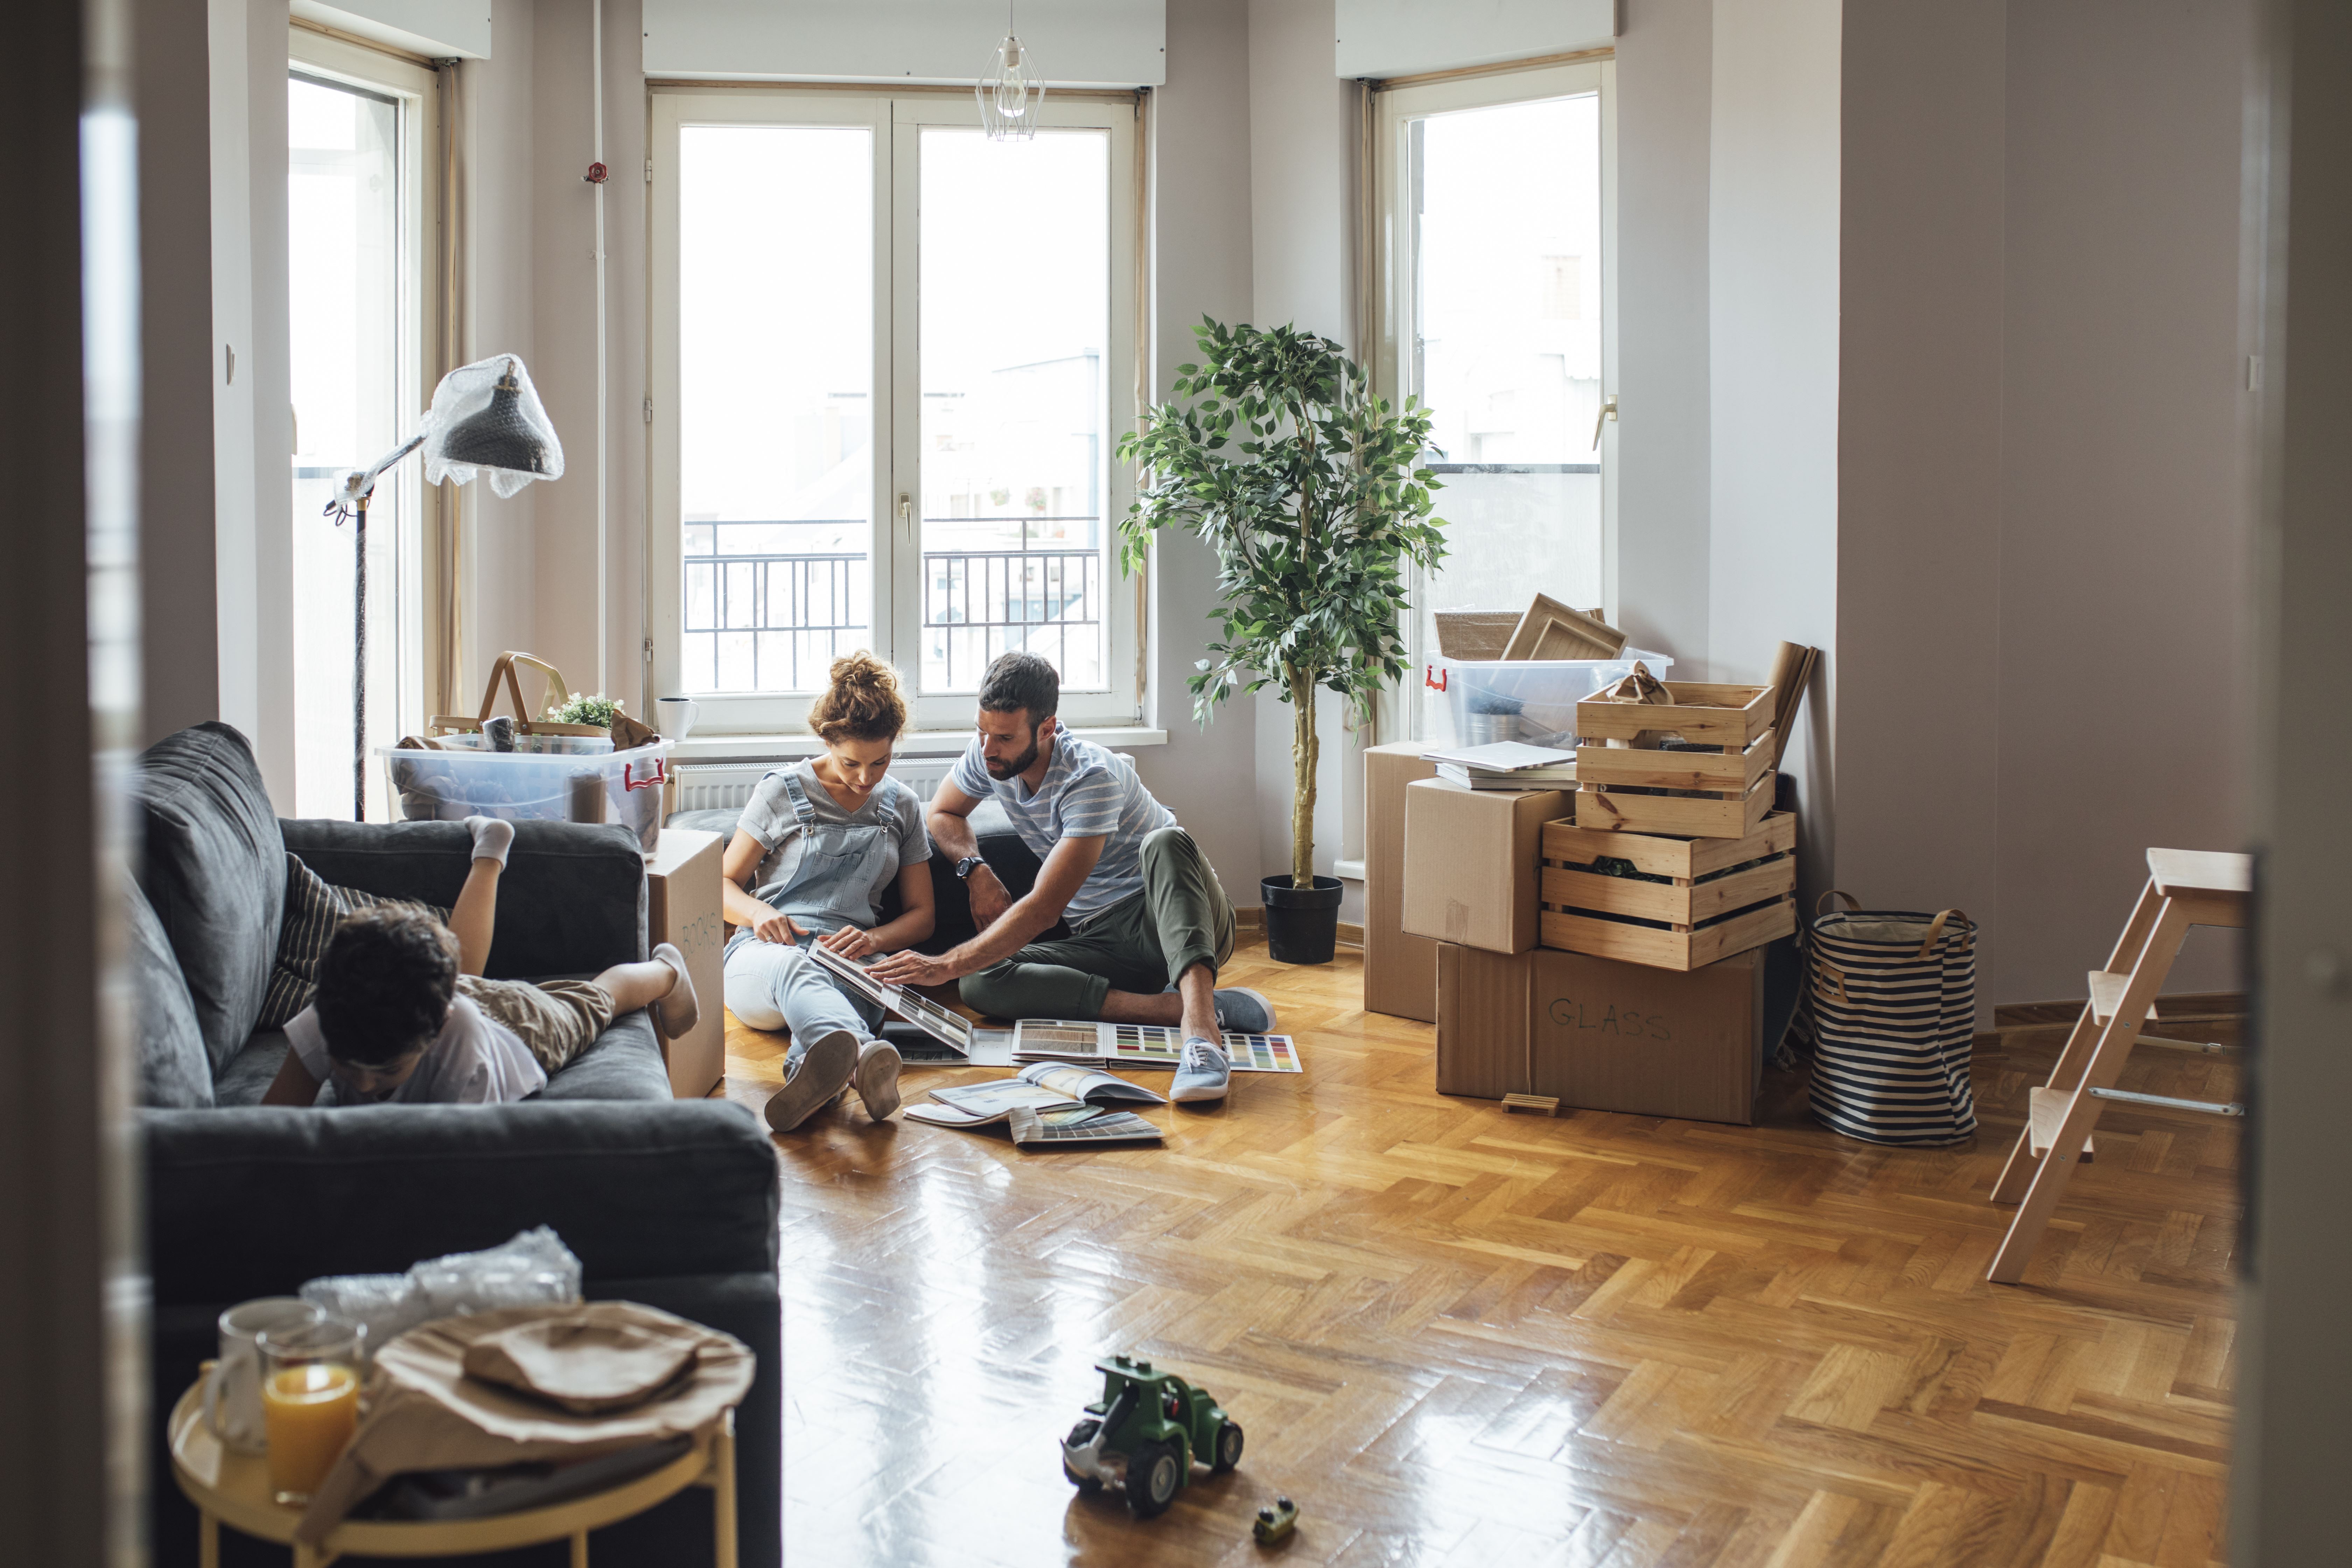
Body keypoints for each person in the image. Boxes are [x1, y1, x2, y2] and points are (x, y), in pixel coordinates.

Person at [868, 651, 1273, 1105]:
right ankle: (1172, 1007)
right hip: (1104, 939)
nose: (988, 749)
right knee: (980, 981)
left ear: (1047, 728)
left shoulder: (1090, 777)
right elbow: (943, 812)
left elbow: (1043, 909)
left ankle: (1202, 1034)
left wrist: (941, 964)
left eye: (1003, 737)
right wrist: (975, 871)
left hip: (1177, 916)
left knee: (1165, 842)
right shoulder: (989, 756)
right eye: (981, 732)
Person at [261, 816, 699, 1106]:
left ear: (434, 1034)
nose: (362, 1084)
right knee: (460, 971)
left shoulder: (465, 1053)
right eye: (345, 1064)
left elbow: (468, 1162)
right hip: (441, 1002)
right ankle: (490, 853)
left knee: (595, 1000)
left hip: (517, 1028)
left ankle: (667, 971)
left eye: (387, 1071)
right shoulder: (331, 1018)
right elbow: (267, 1128)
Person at [720, 652, 937, 1134]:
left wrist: (875, 942)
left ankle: (813, 1078)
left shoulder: (902, 805)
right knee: (798, 965)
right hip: (766, 957)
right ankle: (863, 1058)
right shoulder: (781, 791)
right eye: (850, 763)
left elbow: (923, 916)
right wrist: (757, 913)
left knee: (849, 981)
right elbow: (721, 882)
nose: (865, 778)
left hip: (850, 965)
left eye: (880, 762)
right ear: (826, 741)